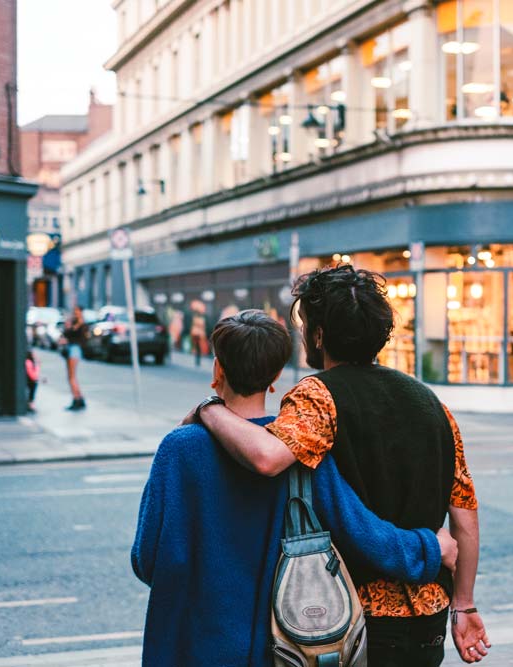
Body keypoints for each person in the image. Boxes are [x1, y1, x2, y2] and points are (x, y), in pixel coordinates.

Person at [187, 266, 491, 666]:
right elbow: (464, 520)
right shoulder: (431, 403)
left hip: (348, 616)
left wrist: (208, 411)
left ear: (318, 334)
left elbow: (266, 457)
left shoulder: (318, 395)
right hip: (429, 615)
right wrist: (465, 606)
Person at [133, 309, 456, 667]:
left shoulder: (179, 449)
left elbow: (147, 560)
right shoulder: (297, 450)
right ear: (274, 379)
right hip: (281, 648)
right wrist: (430, 547)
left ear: (217, 370)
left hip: (191, 647)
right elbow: (363, 533)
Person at [61, 306, 87, 411]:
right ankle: (79, 397)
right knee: (71, 376)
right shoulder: (73, 322)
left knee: (71, 376)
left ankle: (76, 399)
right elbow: (65, 334)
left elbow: (80, 338)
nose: (74, 313)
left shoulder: (81, 324)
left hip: (74, 349)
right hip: (71, 349)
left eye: (76, 311)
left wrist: (70, 328)